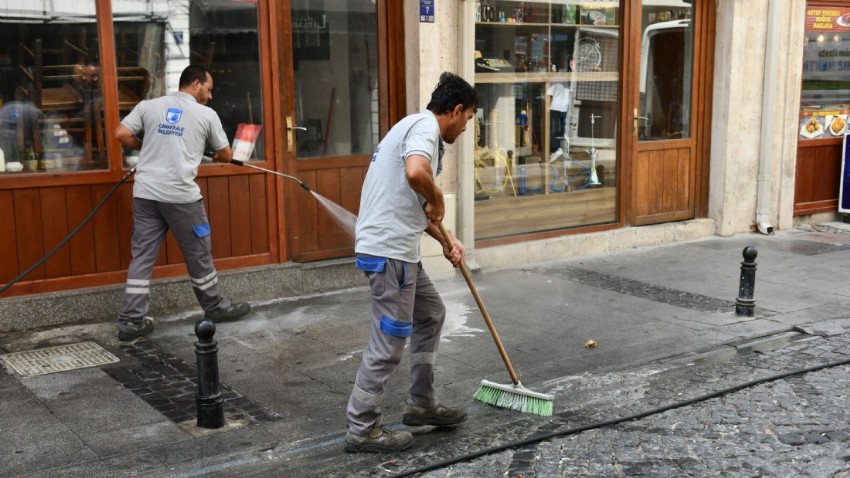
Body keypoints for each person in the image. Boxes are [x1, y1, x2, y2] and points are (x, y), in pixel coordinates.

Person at [344, 72, 477, 453]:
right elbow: (416, 174)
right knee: (388, 344)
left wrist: (448, 241)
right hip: (390, 255)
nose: (466, 128)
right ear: (454, 111)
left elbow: (418, 206)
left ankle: (421, 404)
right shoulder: (425, 129)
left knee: (431, 313)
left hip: (401, 252)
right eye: (467, 118)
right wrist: (439, 198)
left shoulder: (413, 128)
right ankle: (361, 427)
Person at [114, 64, 250, 342]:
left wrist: (147, 145)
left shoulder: (148, 106)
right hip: (181, 198)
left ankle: (131, 321)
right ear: (196, 84)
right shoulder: (205, 114)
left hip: (146, 194)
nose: (210, 96)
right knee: (199, 254)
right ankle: (215, 308)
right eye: (209, 89)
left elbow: (121, 134)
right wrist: (212, 153)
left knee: (142, 257)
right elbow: (225, 154)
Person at [547, 82, 571, 162]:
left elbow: (549, 95)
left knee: (551, 130)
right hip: (566, 107)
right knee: (562, 130)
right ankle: (562, 150)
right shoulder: (569, 77)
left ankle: (556, 149)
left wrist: (547, 108)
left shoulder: (554, 78)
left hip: (555, 107)